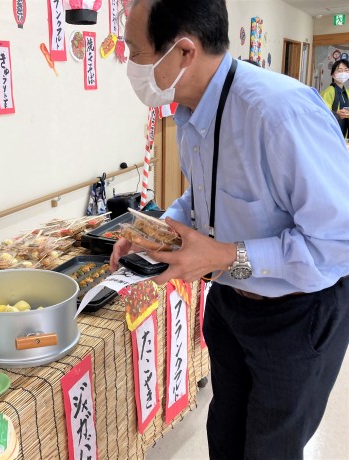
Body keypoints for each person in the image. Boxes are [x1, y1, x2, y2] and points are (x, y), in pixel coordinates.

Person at [111, 0, 349, 458]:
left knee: (270, 449)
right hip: (229, 303)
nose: (130, 64)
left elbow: (338, 242)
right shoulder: (192, 113)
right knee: (224, 436)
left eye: (135, 51)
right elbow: (203, 199)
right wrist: (155, 230)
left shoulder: (280, 114)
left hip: (298, 315)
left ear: (184, 51)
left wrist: (223, 255)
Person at [320, 58, 349, 138]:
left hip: (344, 134)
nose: (343, 73)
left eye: (346, 70)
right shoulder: (329, 91)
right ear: (332, 74)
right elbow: (322, 112)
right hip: (331, 133)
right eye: (339, 70)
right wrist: (337, 114)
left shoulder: (347, 92)